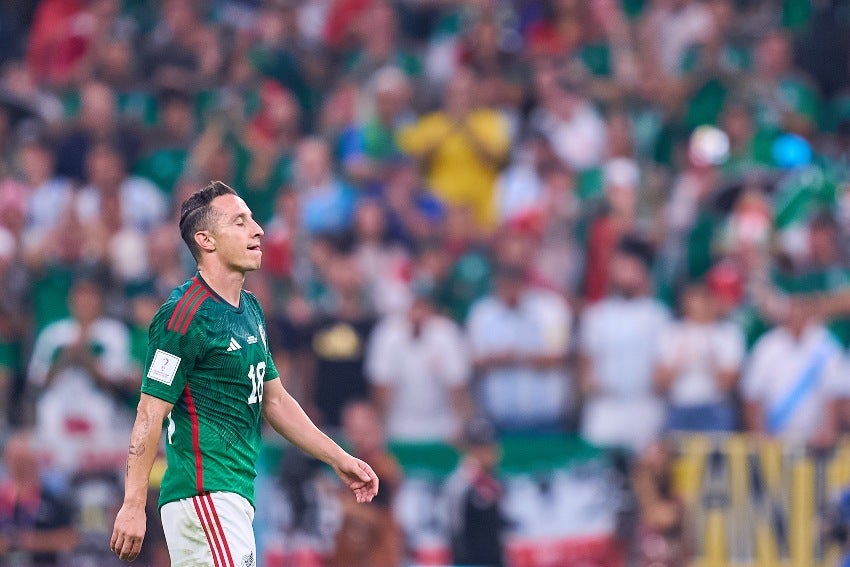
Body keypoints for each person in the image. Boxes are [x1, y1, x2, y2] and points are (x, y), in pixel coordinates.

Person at [110, 181, 378, 564]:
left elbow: (275, 400)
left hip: (233, 496)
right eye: (240, 222)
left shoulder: (249, 309)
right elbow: (150, 412)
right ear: (206, 239)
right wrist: (133, 504)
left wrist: (339, 458)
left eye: (252, 219)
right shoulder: (183, 314)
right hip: (203, 495)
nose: (258, 230)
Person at [0, 431, 78, 567]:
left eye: (23, 460)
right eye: (15, 459)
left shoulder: (53, 499)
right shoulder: (3, 497)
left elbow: (71, 538)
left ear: (34, 461)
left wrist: (32, 541)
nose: (20, 466)